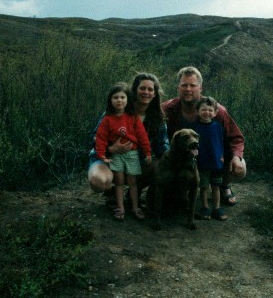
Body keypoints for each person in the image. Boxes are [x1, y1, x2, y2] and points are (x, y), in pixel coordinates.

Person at [162, 66, 246, 205]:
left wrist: (236, 157)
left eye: (193, 85)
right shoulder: (167, 108)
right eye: (184, 85)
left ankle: (224, 185)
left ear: (200, 88)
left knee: (241, 167)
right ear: (178, 88)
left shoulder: (216, 111)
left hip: (211, 156)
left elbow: (236, 137)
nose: (188, 89)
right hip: (181, 158)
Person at [88, 73, 169, 208]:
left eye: (150, 89)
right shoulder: (116, 110)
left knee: (160, 165)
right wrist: (110, 148)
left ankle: (135, 195)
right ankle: (111, 191)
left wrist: (173, 155)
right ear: (134, 90)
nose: (146, 92)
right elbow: (93, 138)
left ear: (155, 94)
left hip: (136, 162)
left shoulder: (158, 118)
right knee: (99, 182)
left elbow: (163, 146)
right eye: (142, 88)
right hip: (108, 158)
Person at [95, 82, 151, 220]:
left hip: (132, 154)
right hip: (116, 155)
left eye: (122, 97)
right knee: (119, 181)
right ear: (110, 100)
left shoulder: (133, 118)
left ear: (127, 100)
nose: (119, 100)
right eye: (115, 97)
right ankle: (120, 207)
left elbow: (142, 136)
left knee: (132, 182)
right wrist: (102, 154)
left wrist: (147, 152)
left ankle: (135, 207)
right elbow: (100, 138)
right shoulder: (107, 119)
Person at [193, 96, 227, 221]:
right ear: (197, 111)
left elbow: (221, 142)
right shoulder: (195, 128)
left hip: (216, 161)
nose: (207, 112)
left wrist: (223, 155)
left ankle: (216, 208)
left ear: (215, 112)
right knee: (203, 186)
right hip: (202, 162)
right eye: (203, 110)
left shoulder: (218, 126)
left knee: (216, 186)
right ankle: (205, 207)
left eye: (210, 110)